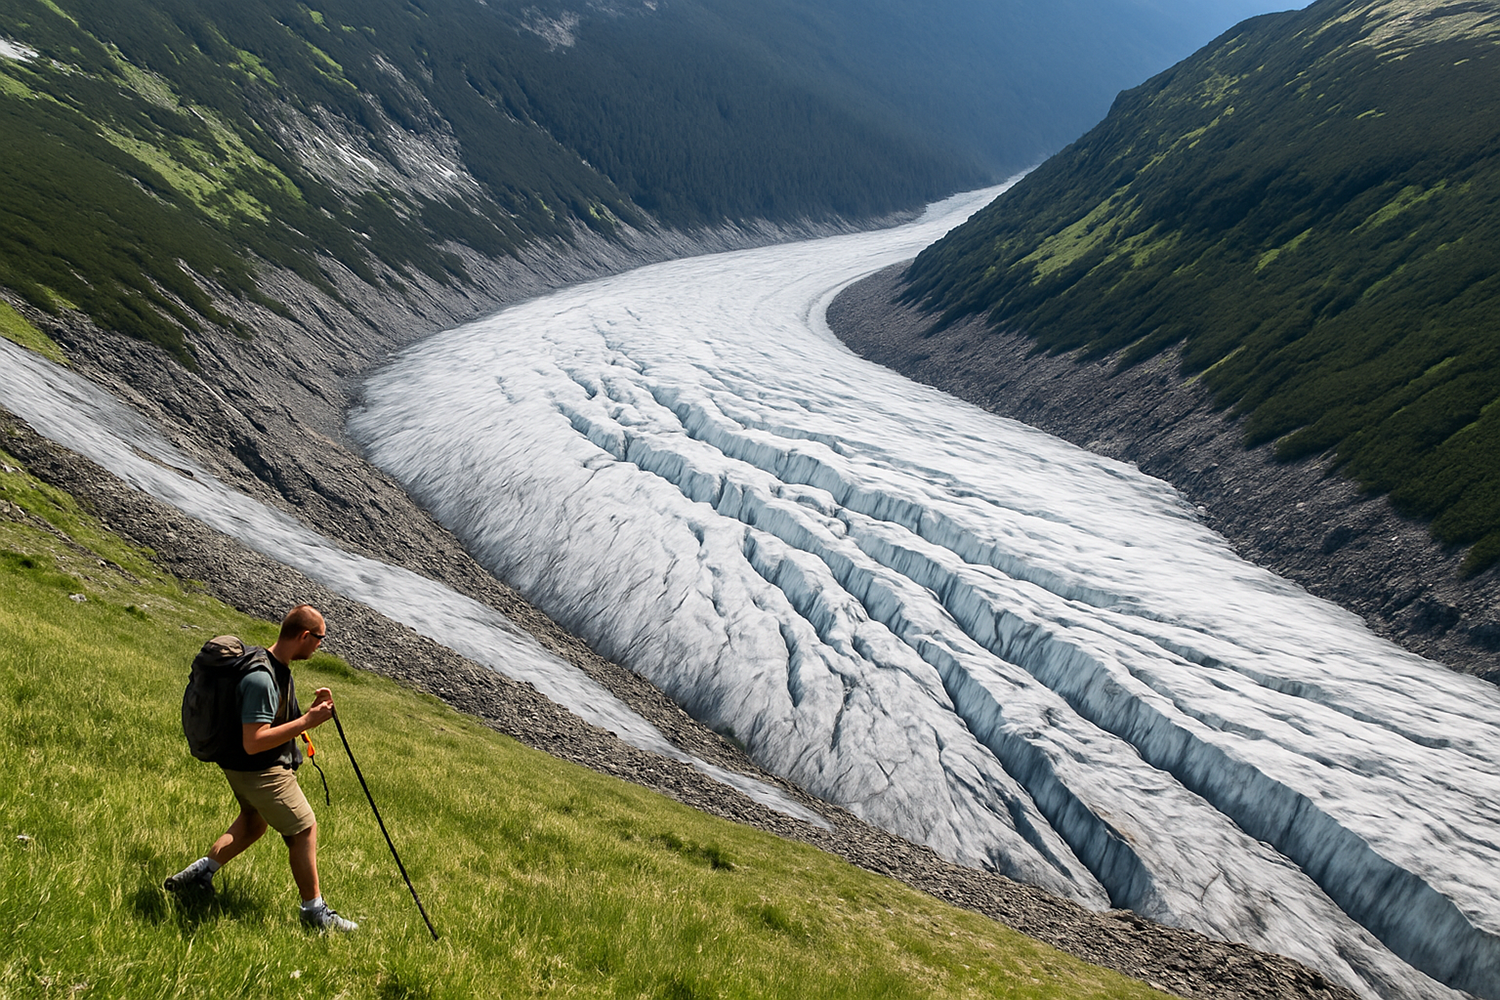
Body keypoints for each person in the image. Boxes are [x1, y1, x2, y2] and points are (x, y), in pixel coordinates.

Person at [165, 605, 356, 932]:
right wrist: (308, 721)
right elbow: (254, 741)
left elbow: (274, 720)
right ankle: (315, 912)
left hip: (241, 768)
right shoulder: (260, 679)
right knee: (304, 829)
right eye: (319, 639)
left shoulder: (271, 664)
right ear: (305, 636)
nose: (320, 646)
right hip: (260, 770)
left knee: (253, 824)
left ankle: (200, 873)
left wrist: (307, 713)